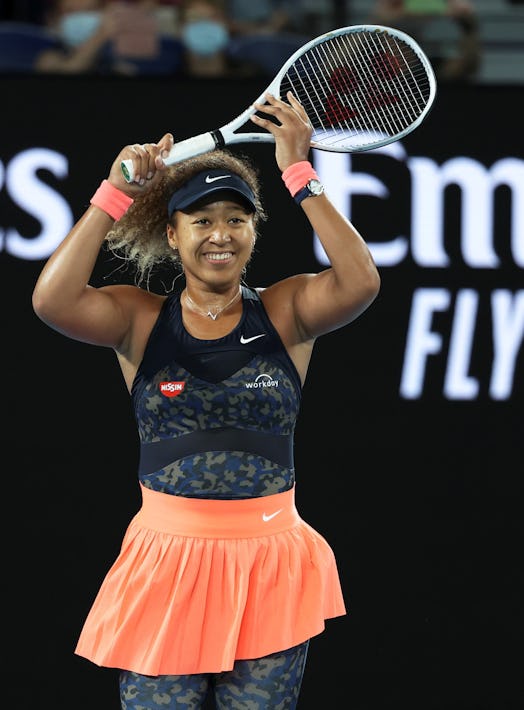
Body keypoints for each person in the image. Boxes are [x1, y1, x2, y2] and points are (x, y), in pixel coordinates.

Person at [32, 91, 380, 708]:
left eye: (236, 219)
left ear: (253, 231)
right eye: (201, 220)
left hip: (271, 565)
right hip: (165, 565)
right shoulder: (139, 322)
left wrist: (300, 173)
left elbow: (360, 281)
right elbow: (52, 302)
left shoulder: (286, 310)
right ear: (172, 232)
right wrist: (114, 194)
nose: (220, 234)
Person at [368, 0, 481, 82]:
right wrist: (375, 22)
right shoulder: (372, 72)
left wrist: (468, 26)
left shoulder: (436, 70)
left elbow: (469, 65)